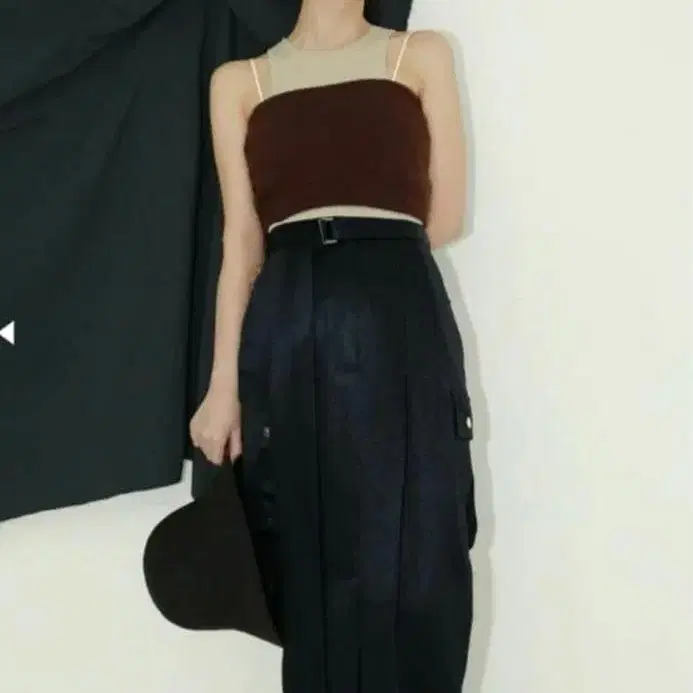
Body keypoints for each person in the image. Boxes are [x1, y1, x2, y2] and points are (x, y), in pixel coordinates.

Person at [189, 1, 477, 691]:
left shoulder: (419, 55)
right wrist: (223, 385)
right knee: (309, 540)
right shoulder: (239, 82)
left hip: (394, 308)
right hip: (289, 319)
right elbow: (241, 244)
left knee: (419, 538)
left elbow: (442, 217)